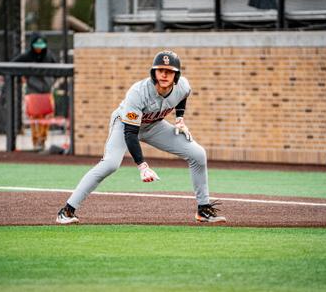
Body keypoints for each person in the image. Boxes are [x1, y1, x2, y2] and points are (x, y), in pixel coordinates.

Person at [56, 50, 227, 224]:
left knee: (198, 154)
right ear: (153, 73)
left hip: (153, 125)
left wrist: (179, 119)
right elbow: (130, 133)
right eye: (160, 70)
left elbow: (183, 96)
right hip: (124, 124)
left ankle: (203, 209)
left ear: (177, 74)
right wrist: (142, 166)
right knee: (110, 164)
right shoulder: (138, 92)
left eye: (170, 71)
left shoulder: (183, 86)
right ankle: (67, 211)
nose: (165, 74)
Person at [12, 32, 58, 151]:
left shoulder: (49, 56)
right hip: (33, 91)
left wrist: (52, 81)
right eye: (36, 45)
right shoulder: (26, 56)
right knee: (34, 117)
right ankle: (36, 142)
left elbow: (58, 70)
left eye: (41, 45)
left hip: (47, 91)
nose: (39, 48)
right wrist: (23, 77)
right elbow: (13, 65)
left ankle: (42, 140)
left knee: (46, 117)